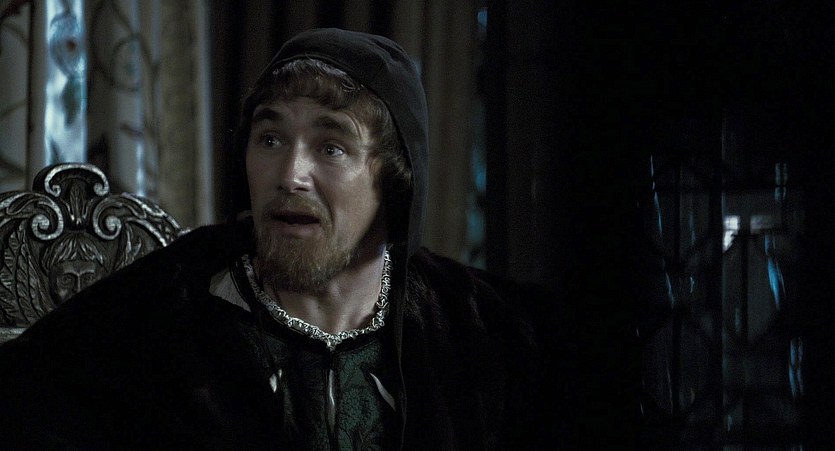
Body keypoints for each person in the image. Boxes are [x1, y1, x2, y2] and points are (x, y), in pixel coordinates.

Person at [0, 28, 571, 449]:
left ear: (394, 182)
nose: (290, 175)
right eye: (270, 139)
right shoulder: (159, 315)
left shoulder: (483, 331)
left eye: (331, 147)